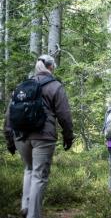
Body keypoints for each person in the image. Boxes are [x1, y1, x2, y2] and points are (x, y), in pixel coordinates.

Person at [3, 55, 74, 218]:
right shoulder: (55, 86)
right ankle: (33, 215)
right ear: (51, 68)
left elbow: (9, 115)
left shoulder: (22, 86)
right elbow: (64, 115)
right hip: (44, 136)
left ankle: (26, 207)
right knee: (39, 175)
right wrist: (68, 136)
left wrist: (9, 139)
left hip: (20, 136)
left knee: (29, 169)